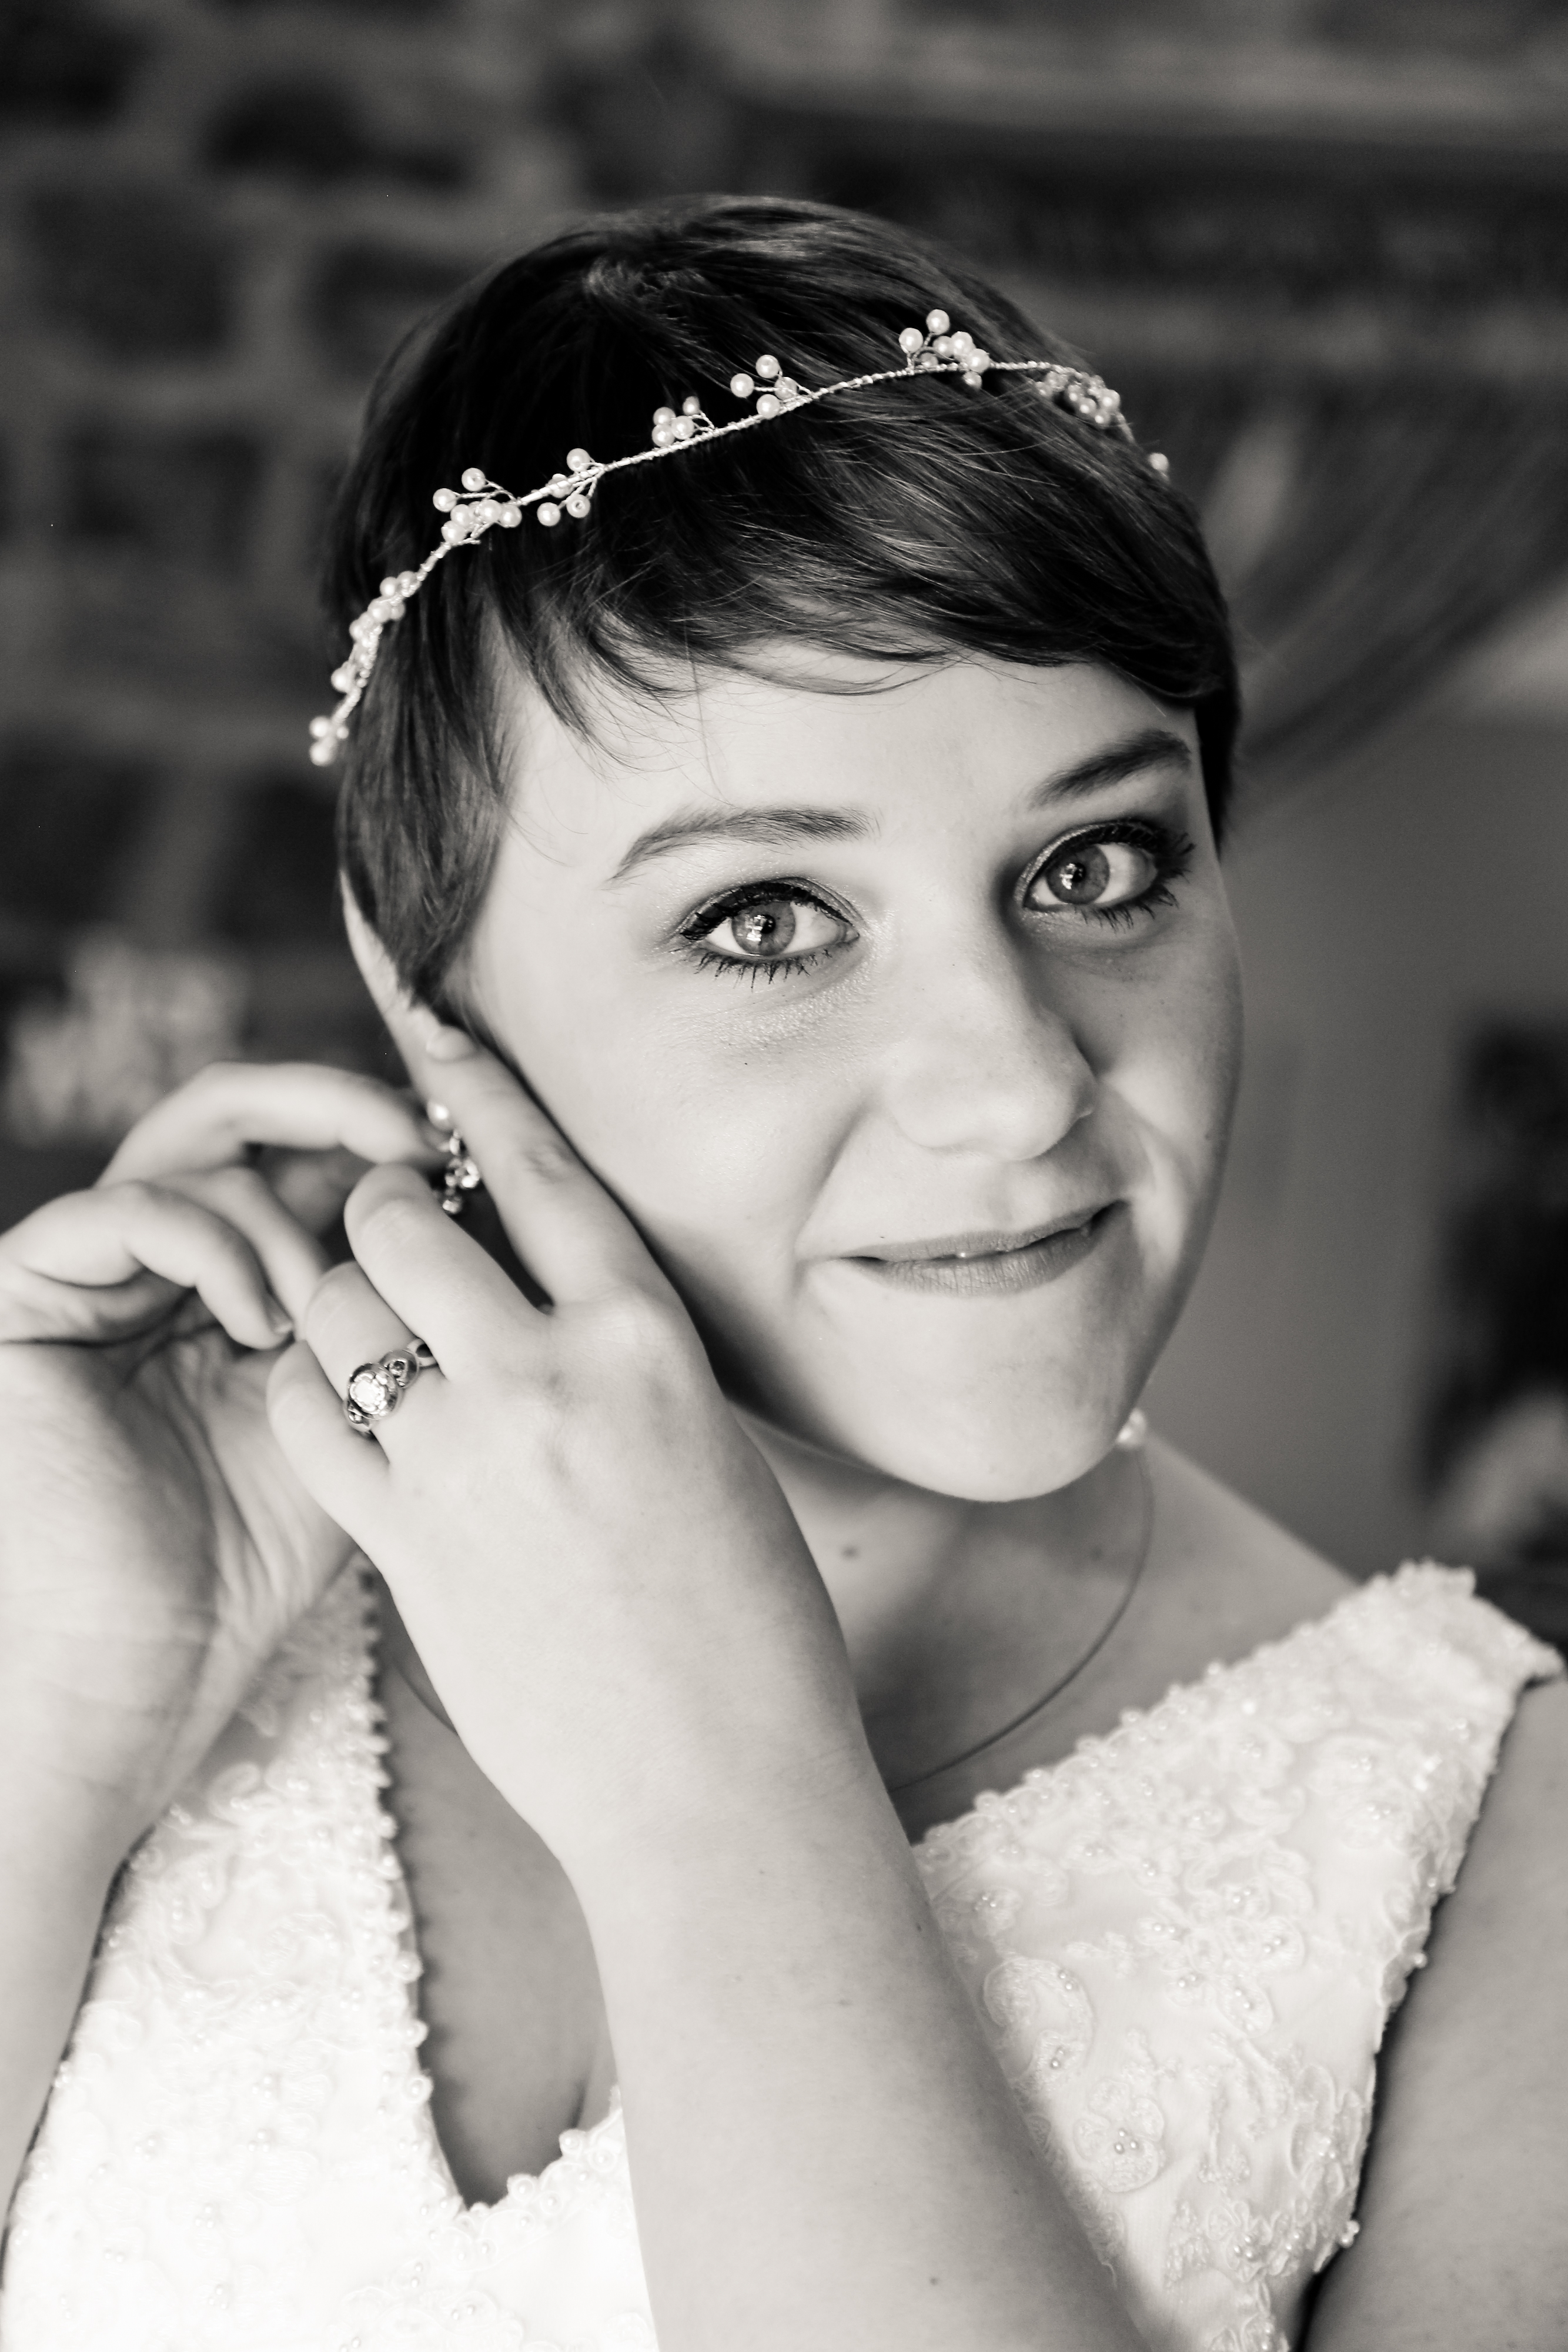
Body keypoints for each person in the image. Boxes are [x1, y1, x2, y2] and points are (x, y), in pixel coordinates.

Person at [0, 195, 1563, 2352]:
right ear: (428, 990)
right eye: (764, 921)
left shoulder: (1503, 1849)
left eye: (1096, 865)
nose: (1014, 1089)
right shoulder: (128, 1596)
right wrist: (73, 1696)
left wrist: (719, 1792)